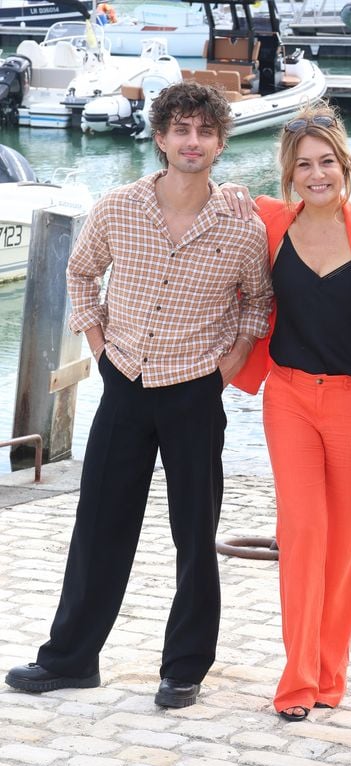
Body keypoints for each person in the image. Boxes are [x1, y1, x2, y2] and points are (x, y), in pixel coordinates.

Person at [4, 82, 272, 709]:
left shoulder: (243, 227)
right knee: (99, 526)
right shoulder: (119, 207)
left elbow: (258, 301)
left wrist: (229, 365)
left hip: (195, 389)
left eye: (205, 132)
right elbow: (81, 271)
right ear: (161, 138)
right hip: (124, 380)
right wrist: (98, 346)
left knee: (195, 534)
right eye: (182, 130)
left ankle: (184, 668)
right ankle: (71, 660)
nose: (193, 141)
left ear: (220, 143)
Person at [224, 103, 351, 721]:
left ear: (345, 165)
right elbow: (217, 200)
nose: (316, 175)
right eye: (303, 165)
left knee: (345, 544)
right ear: (288, 174)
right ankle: (296, 681)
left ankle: (329, 674)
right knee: (303, 534)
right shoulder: (270, 221)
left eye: (326, 162)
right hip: (289, 397)